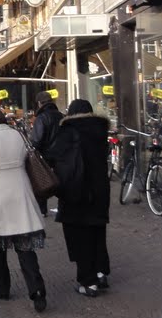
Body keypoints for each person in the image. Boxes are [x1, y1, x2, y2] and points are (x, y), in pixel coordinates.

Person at [0, 99, 48, 313]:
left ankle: (2, 288)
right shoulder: (18, 135)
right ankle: (38, 291)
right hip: (20, 191)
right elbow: (27, 159)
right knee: (25, 248)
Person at [46, 99, 111, 298]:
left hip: (76, 193)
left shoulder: (68, 132)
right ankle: (100, 273)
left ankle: (87, 282)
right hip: (99, 192)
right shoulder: (101, 131)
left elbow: (52, 156)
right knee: (97, 234)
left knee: (79, 238)